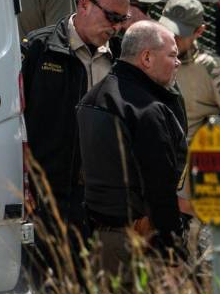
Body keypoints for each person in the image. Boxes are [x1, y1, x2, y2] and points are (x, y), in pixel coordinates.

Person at [22, 0, 130, 264]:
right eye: (111, 16)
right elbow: (14, 122)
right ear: (84, 4)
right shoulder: (38, 49)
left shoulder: (123, 59)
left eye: (123, 19)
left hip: (105, 202)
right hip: (48, 199)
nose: (117, 27)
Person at [76, 21, 187, 279]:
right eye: (172, 55)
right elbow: (161, 186)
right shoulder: (146, 109)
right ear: (146, 57)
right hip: (143, 242)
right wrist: (173, 252)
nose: (178, 62)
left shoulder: (91, 98)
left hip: (98, 240)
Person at [159, 0, 220, 140]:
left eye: (179, 34)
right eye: (167, 29)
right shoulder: (147, 57)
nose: (171, 37)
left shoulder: (214, 69)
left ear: (199, 31)